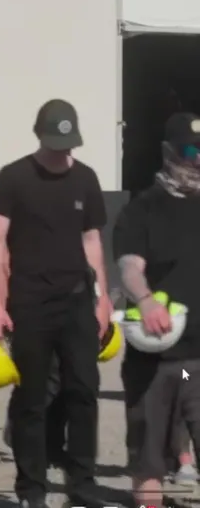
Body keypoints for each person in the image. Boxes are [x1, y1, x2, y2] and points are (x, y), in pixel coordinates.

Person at [0, 99, 112, 508]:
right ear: (39, 135)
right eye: (55, 143)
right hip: (30, 304)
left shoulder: (86, 179)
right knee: (32, 399)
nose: (62, 152)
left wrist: (103, 298)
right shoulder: (14, 178)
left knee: (84, 391)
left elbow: (92, 242)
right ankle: (31, 490)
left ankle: (82, 483)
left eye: (68, 144)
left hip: (77, 301)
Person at [112, 111, 200, 508]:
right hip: (156, 363)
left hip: (195, 365)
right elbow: (130, 266)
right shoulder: (142, 209)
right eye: (190, 150)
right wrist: (145, 300)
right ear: (168, 152)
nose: (198, 158)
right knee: (148, 461)